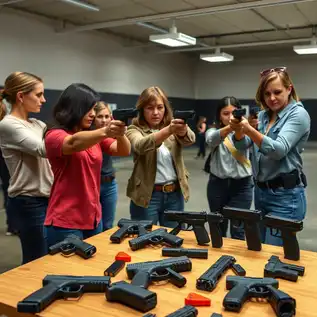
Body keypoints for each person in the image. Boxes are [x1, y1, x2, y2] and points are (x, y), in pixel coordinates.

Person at [229, 67, 310, 246]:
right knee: (260, 251)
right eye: (267, 94)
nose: (272, 98)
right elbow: (243, 146)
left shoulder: (298, 114)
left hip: (285, 197)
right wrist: (239, 132)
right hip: (261, 193)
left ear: (289, 89)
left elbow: (278, 150)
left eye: (277, 92)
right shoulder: (264, 115)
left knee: (275, 257)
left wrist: (249, 129)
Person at [44, 83, 130, 246]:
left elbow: (123, 150)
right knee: (67, 271)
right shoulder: (54, 135)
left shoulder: (93, 136)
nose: (92, 114)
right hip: (66, 220)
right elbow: (74, 143)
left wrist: (121, 133)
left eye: (93, 109)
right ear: (74, 109)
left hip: (92, 218)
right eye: (88, 109)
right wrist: (106, 131)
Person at [0, 71, 53, 264]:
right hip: (29, 202)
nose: (44, 100)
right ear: (21, 96)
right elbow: (44, 149)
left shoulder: (37, 123)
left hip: (47, 198)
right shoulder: (8, 125)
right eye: (38, 95)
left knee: (48, 255)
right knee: (36, 260)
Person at [126, 86, 196, 226]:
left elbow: (190, 139)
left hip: (174, 194)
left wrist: (182, 131)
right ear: (141, 110)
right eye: (150, 108)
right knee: (144, 237)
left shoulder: (173, 125)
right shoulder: (134, 129)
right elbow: (140, 145)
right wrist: (168, 130)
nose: (156, 112)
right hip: (147, 194)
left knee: (174, 239)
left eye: (160, 107)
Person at [204, 97, 253, 240]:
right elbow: (211, 140)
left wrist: (239, 129)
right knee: (218, 227)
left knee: (239, 230)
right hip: (218, 184)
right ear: (219, 115)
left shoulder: (247, 131)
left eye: (233, 113)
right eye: (225, 113)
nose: (230, 117)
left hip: (242, 186)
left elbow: (242, 145)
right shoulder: (213, 130)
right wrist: (231, 127)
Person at [93, 102, 118, 231]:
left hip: (110, 183)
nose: (104, 120)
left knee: (108, 226)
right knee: (96, 225)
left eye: (107, 116)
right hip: (93, 185)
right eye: (100, 116)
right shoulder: (88, 135)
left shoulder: (112, 134)